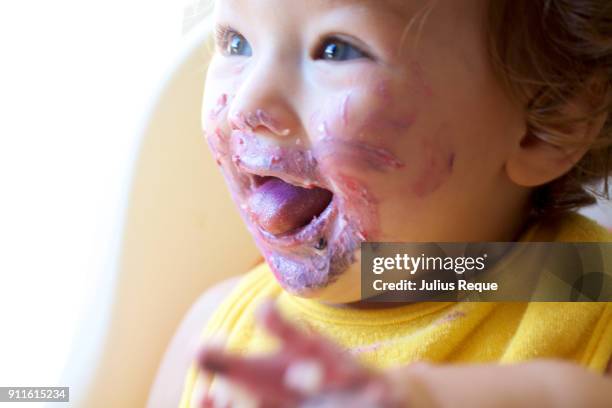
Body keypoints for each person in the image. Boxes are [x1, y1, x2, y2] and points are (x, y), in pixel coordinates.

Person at [149, 0, 612, 406]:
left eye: (336, 50)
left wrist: (428, 399)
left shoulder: (584, 282)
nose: (246, 105)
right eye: (236, 42)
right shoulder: (215, 335)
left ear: (549, 119)